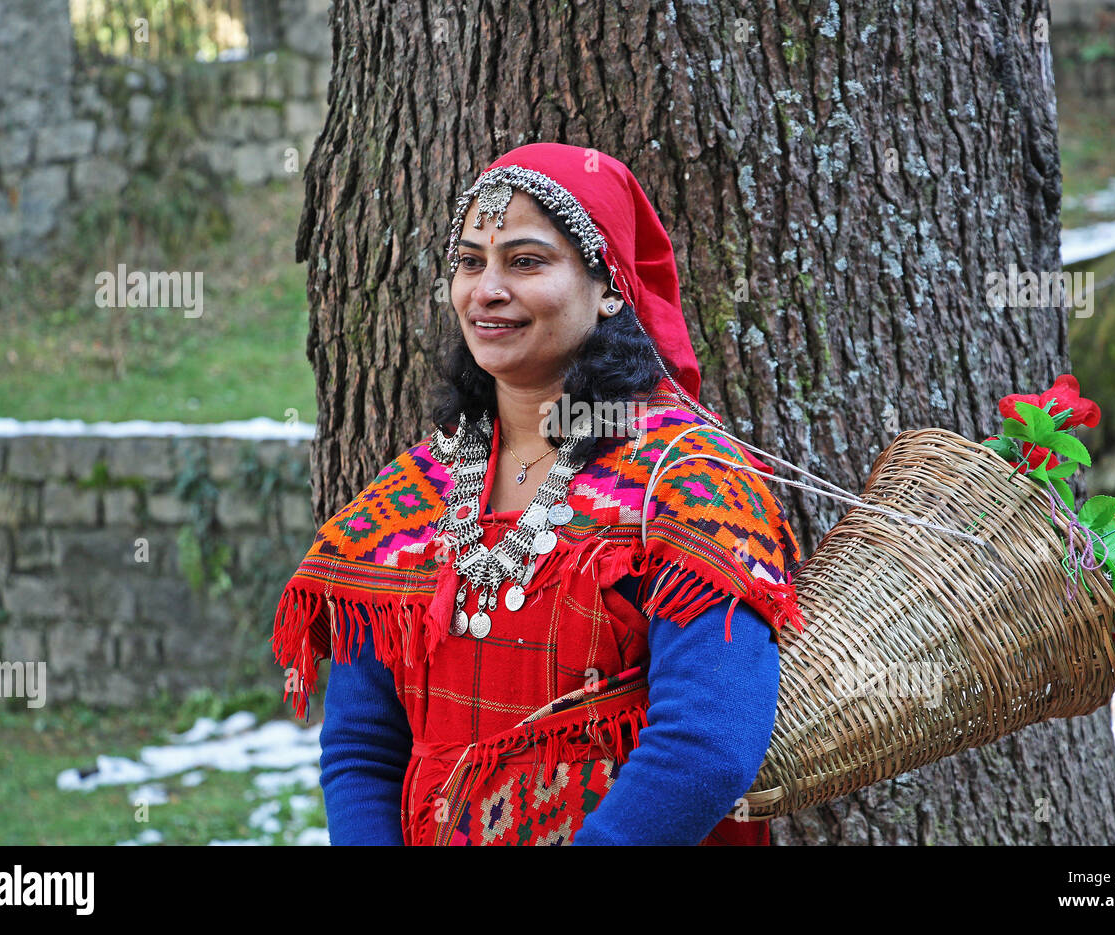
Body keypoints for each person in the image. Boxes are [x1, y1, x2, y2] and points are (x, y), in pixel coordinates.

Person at [272, 142, 805, 845]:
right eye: (470, 262)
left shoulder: (688, 480)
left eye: (525, 262)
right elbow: (361, 749)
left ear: (609, 285)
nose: (486, 290)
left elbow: (708, 743)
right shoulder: (408, 496)